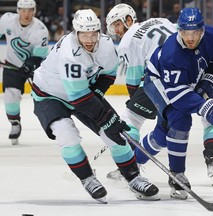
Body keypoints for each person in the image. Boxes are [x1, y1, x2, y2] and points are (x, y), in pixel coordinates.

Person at [31, 8, 160, 202]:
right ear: (76, 33)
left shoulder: (106, 44)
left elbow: (108, 74)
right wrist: (106, 118)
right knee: (68, 135)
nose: (90, 39)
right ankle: (88, 178)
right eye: (84, 34)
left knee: (115, 135)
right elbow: (78, 97)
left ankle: (134, 177)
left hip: (82, 93)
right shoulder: (69, 54)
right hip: (49, 95)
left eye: (93, 33)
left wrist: (98, 96)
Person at [105, 3, 213, 189]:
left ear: (128, 20)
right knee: (198, 118)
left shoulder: (127, 41)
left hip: (170, 74)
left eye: (117, 24)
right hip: (181, 71)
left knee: (135, 119)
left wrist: (137, 101)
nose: (116, 30)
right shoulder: (158, 20)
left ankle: (130, 166)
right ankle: (212, 164)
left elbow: (133, 80)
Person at [0, 0, 49, 145]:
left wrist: (30, 66)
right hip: (12, 66)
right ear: (18, 10)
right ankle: (15, 123)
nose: (26, 14)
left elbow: (38, 56)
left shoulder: (40, 30)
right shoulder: (7, 20)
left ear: (34, 11)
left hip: (33, 69)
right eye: (23, 10)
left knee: (46, 99)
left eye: (29, 10)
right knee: (10, 95)